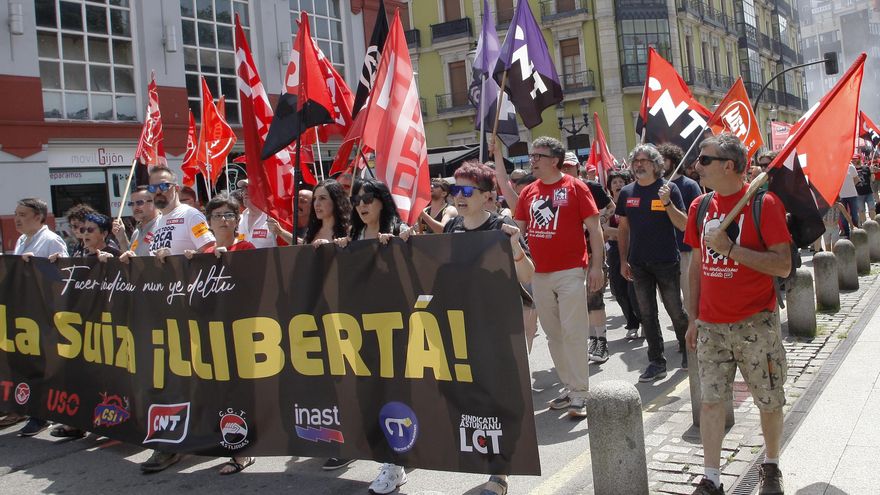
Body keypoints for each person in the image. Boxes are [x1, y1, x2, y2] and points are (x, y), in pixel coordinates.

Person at [685, 133, 790, 495]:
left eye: (704, 160)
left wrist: (730, 249)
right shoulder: (700, 207)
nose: (697, 166)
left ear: (728, 165)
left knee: (769, 398)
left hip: (755, 322)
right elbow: (696, 265)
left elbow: (782, 265)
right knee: (711, 402)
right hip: (711, 326)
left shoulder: (765, 204)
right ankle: (711, 478)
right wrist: (692, 317)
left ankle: (771, 465)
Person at [444, 161, 534, 495]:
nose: (459, 196)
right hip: (462, 327)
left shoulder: (501, 227)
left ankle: (500, 473)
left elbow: (527, 275)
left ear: (486, 196)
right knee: (472, 399)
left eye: (467, 190)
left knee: (501, 398)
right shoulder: (451, 228)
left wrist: (515, 248)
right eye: (455, 189)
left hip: (498, 328)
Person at [119, 165, 215, 473]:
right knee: (168, 378)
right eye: (153, 187)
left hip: (190, 313)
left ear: (175, 187)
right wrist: (129, 256)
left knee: (190, 379)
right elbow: (144, 260)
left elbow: (210, 253)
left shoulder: (191, 216)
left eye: (163, 185)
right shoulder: (157, 222)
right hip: (160, 312)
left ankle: (192, 438)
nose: (158, 191)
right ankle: (171, 441)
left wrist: (176, 263)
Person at [512, 136, 604, 418]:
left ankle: (580, 393)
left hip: (571, 271)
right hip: (538, 274)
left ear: (555, 160)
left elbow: (595, 229)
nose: (532, 161)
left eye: (538, 156)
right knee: (553, 335)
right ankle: (569, 386)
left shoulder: (576, 187)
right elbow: (517, 229)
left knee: (573, 332)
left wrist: (597, 267)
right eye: (532, 156)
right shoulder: (528, 192)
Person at [180, 194, 256, 475]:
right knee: (219, 393)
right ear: (208, 222)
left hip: (239, 330)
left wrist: (231, 261)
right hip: (211, 332)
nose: (223, 220)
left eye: (229, 215)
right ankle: (226, 440)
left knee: (239, 392)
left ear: (237, 220)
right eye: (217, 216)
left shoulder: (246, 247)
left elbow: (252, 285)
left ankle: (242, 452)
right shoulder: (203, 252)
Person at [616, 143, 690, 382]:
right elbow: (623, 229)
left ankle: (688, 349)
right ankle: (656, 361)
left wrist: (667, 202)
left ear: (656, 165)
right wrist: (623, 260)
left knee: (675, 310)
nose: (639, 165)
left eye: (644, 160)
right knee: (647, 314)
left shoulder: (669, 189)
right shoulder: (626, 192)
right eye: (635, 161)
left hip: (666, 261)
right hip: (638, 264)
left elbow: (683, 224)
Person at [1, 198, 68, 432]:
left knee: (43, 366)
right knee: (26, 363)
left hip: (45, 313)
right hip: (25, 313)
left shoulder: (51, 240)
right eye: (15, 214)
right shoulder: (22, 240)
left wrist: (35, 267)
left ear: (38, 217)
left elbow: (62, 276)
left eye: (22, 214)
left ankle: (41, 415)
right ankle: (22, 408)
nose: (17, 219)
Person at [561, 152, 614, 363]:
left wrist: (597, 222)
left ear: (577, 168)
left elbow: (611, 207)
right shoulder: (557, 190)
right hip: (569, 254)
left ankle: (602, 342)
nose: (566, 170)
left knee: (594, 297)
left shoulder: (591, 187)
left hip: (593, 250)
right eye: (562, 167)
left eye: (569, 166)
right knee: (579, 301)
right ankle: (592, 339)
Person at [657, 143, 703, 314]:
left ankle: (693, 327)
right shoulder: (655, 187)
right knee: (670, 300)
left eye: (664, 160)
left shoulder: (690, 185)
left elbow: (699, 217)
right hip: (664, 252)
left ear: (674, 161)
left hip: (686, 249)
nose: (660, 164)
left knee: (690, 296)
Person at [604, 171, 642, 338]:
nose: (618, 185)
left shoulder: (633, 202)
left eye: (621, 182)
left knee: (634, 290)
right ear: (610, 187)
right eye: (615, 182)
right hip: (614, 251)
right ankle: (632, 323)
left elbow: (636, 228)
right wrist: (623, 233)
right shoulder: (609, 207)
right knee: (619, 290)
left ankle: (644, 322)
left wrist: (620, 233)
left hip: (633, 249)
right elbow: (605, 230)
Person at [112, 186, 160, 256]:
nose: (135, 207)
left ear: (154, 203)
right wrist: (121, 237)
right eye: (131, 204)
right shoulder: (136, 232)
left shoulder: (162, 226)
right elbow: (130, 259)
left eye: (140, 203)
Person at [304, 179, 352, 247]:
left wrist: (329, 246)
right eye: (314, 199)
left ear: (335, 201)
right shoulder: (310, 232)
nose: (316, 204)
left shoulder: (350, 232)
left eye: (322, 198)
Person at [235, 179, 277, 248]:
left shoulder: (272, 218)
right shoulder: (238, 220)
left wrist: (281, 232)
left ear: (262, 192)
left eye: (250, 188)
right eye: (243, 189)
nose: (245, 192)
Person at [838, 158, 860, 237]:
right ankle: (847, 233)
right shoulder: (835, 168)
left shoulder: (851, 167)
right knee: (843, 216)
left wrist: (851, 186)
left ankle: (856, 232)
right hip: (841, 196)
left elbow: (857, 179)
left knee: (854, 215)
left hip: (852, 194)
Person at [854, 156, 875, 225]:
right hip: (858, 194)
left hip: (869, 193)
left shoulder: (866, 168)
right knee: (861, 211)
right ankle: (864, 225)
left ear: (859, 159)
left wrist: (872, 171)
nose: (854, 160)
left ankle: (874, 224)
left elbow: (873, 179)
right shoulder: (852, 169)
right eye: (853, 159)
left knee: (872, 209)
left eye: (856, 158)